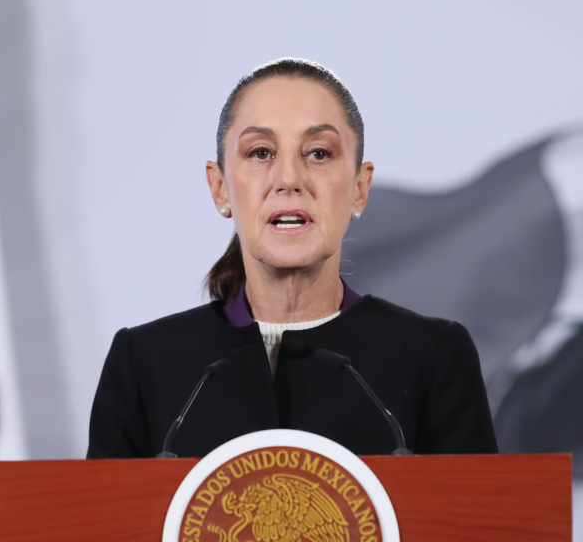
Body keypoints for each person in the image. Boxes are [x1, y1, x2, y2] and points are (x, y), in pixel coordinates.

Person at [87, 59, 498, 459]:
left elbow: (477, 507)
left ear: (359, 188)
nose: (288, 180)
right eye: (260, 152)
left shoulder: (433, 357)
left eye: (318, 153)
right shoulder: (143, 364)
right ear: (219, 187)